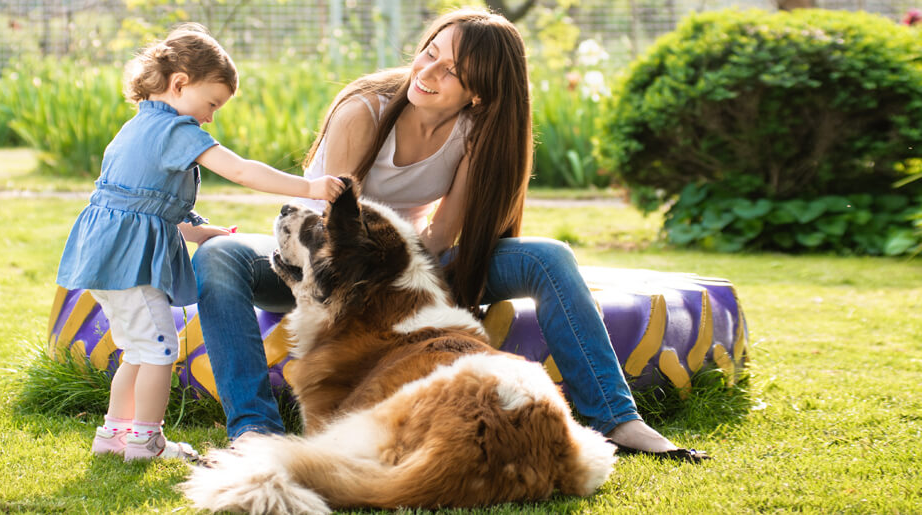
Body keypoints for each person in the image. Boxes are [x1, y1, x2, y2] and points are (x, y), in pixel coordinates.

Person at [193, 8, 708, 461]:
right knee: (219, 257)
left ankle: (617, 419)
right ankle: (254, 431)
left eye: (452, 71)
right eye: (430, 53)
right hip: (324, 266)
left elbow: (441, 233)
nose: (429, 72)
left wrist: (416, 283)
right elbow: (337, 230)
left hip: (411, 267)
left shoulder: (477, 130)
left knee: (548, 256)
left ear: (480, 89)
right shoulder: (363, 111)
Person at [56, 23, 345, 461]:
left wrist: (196, 231)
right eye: (211, 104)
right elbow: (243, 170)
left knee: (136, 349)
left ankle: (113, 434)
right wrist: (312, 188)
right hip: (128, 264)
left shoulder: (133, 129)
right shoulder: (176, 132)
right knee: (159, 350)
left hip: (103, 258)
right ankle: (145, 440)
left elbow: (140, 205)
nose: (210, 118)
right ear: (179, 84)